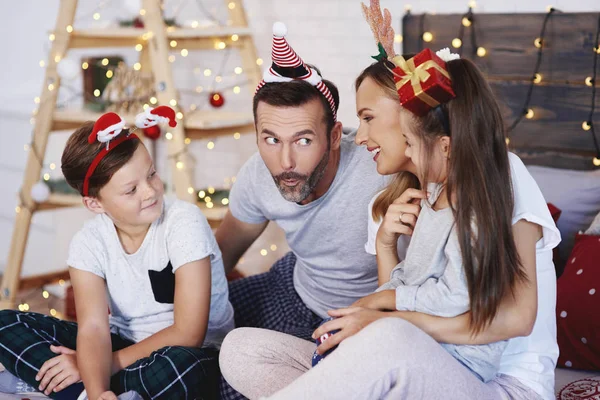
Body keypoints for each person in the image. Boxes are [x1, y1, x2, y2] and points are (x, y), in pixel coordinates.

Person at [218, 4, 560, 400]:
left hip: (497, 381)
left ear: (408, 115)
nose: (360, 137)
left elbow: (514, 317)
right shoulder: (414, 191)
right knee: (241, 350)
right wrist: (384, 248)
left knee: (390, 336)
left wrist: (385, 315)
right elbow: (403, 307)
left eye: (368, 117)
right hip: (419, 363)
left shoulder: (499, 171)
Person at [0, 107, 233, 400]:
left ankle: (64, 388)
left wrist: (92, 367)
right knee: (6, 323)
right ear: (95, 204)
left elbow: (189, 332)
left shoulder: (184, 222)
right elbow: (94, 328)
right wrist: (98, 390)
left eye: (152, 175)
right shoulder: (88, 243)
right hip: (122, 344)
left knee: (179, 370)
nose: (150, 191)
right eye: (131, 189)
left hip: (194, 352)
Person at [215, 21, 386, 343]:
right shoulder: (257, 174)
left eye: (303, 140)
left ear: (334, 136)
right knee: (208, 346)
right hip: (295, 286)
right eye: (271, 139)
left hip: (363, 314)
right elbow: (222, 253)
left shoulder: (382, 167)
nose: (285, 162)